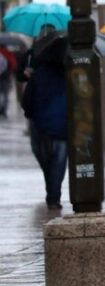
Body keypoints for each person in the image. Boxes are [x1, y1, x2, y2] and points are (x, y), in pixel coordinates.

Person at [22, 57, 67, 209]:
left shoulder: (37, 75)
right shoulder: (67, 74)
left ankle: (51, 190)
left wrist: (30, 114)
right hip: (62, 127)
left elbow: (26, 102)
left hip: (41, 127)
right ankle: (54, 197)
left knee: (45, 160)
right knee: (58, 164)